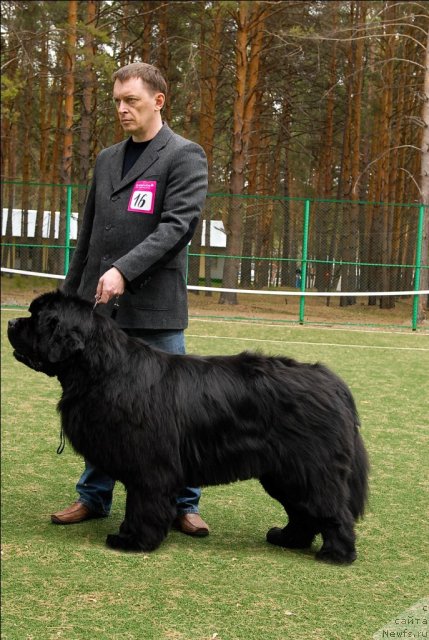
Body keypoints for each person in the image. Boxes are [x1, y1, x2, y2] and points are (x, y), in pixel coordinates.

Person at [51, 62, 209, 537]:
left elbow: (176, 228)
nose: (121, 109)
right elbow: (90, 237)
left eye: (131, 100)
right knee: (100, 408)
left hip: (155, 311)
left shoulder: (184, 156)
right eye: (117, 100)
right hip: (101, 314)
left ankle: (183, 503)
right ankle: (93, 497)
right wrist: (68, 300)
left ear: (158, 101)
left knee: (172, 416)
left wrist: (123, 269)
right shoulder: (105, 159)